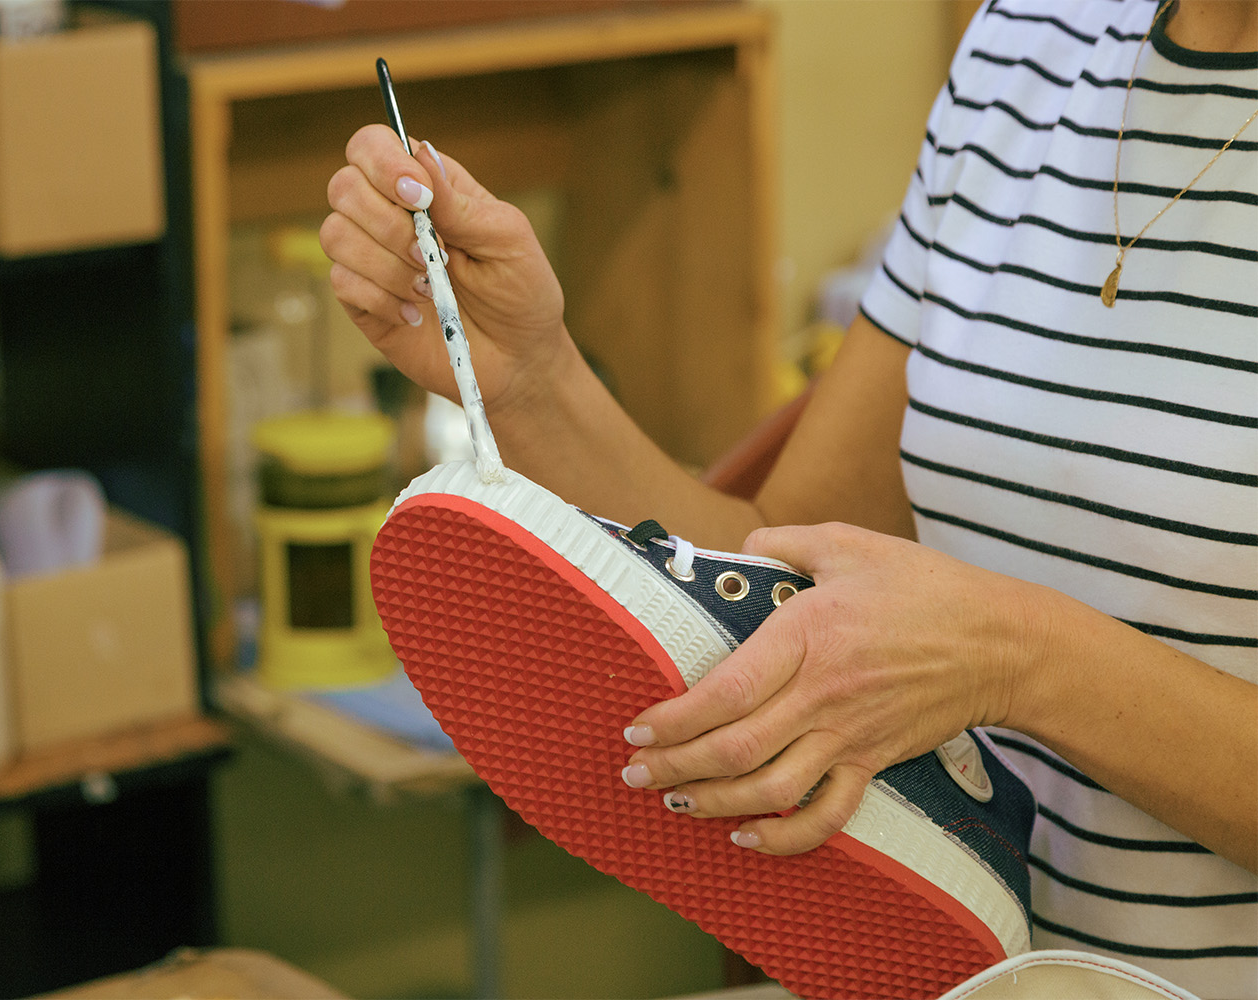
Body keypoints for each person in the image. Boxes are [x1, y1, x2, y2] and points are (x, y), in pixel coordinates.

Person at [320, 0, 1257, 994]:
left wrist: (1015, 656)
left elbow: (991, 645)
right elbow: (788, 567)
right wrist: (533, 381)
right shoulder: (1028, 42)